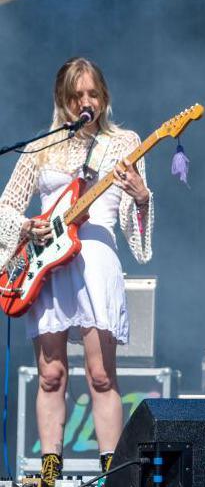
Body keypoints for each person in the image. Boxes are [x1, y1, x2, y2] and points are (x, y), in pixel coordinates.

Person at [0, 57, 153, 486]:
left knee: (101, 374)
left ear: (104, 97)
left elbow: (130, 224)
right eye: (77, 96)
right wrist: (24, 227)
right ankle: (50, 471)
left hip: (96, 259)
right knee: (50, 374)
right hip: (48, 262)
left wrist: (141, 198)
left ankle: (111, 472)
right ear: (64, 102)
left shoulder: (125, 143)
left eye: (93, 94)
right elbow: (7, 204)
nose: (87, 102)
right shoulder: (42, 146)